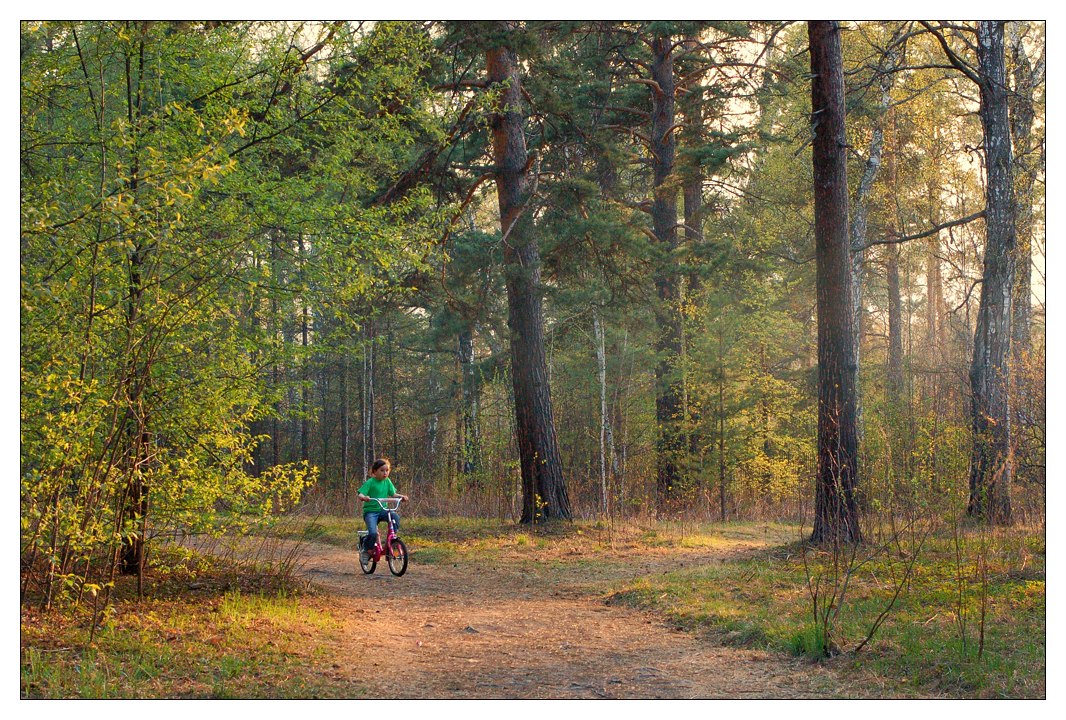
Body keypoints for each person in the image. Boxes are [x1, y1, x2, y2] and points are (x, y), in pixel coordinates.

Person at [356, 458, 408, 562]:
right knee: (373, 533)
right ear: (374, 471)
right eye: (382, 470)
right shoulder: (370, 482)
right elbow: (360, 493)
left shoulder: (387, 481)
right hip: (370, 512)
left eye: (387, 470)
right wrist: (364, 497)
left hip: (383, 510)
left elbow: (393, 494)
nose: (385, 473)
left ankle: (392, 540)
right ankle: (366, 550)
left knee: (395, 517)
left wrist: (401, 497)